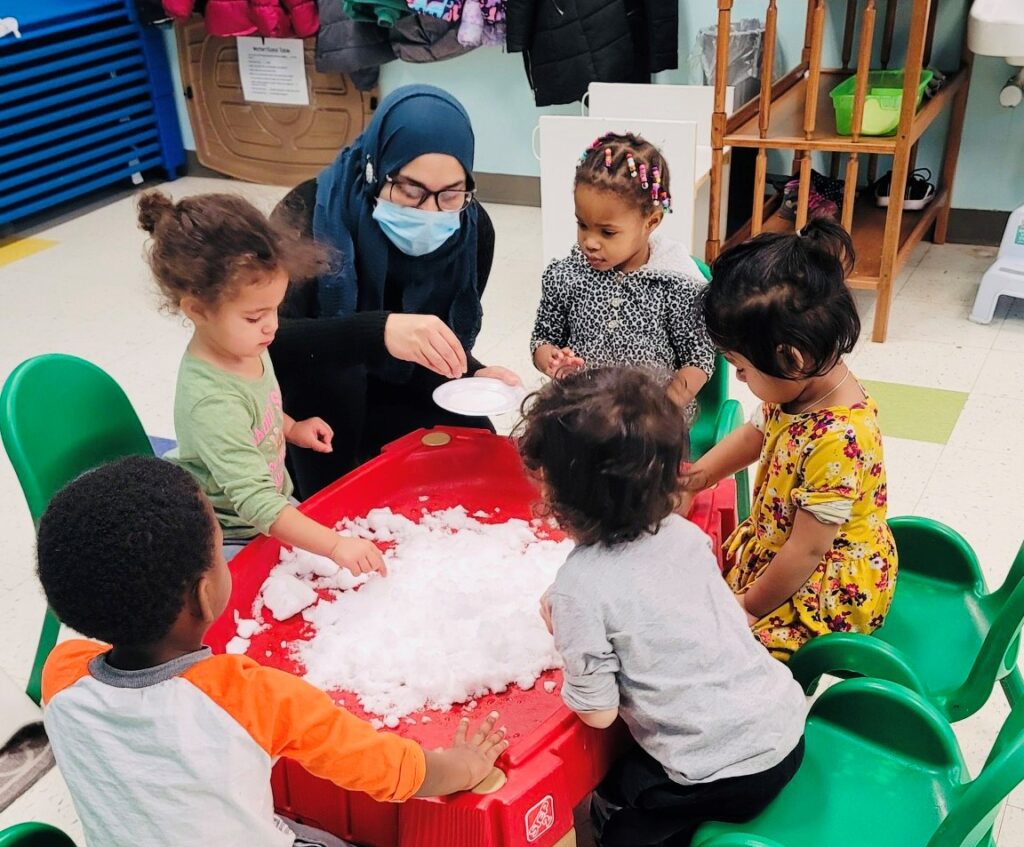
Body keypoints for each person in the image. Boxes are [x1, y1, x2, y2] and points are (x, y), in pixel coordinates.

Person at [38, 456, 508, 847]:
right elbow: (389, 769)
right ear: (205, 596)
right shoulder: (246, 696)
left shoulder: (59, 677)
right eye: (221, 552)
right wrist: (463, 767)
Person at [519, 367, 807, 847]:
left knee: (622, 819)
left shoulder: (580, 586)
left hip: (725, 771)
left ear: (559, 498)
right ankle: (686, 843)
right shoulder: (682, 535)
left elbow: (599, 712)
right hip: (785, 729)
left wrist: (565, 630)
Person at [272, 84, 519, 498]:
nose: (430, 211)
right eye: (410, 190)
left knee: (479, 454)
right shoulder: (309, 215)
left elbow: (432, 339)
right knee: (342, 492)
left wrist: (473, 371)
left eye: (451, 194)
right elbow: (266, 343)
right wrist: (378, 333)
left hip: (405, 387)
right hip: (313, 402)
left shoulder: (472, 230)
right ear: (375, 168)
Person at [683, 220, 898, 661]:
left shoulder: (839, 438)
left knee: (727, 653)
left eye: (741, 369)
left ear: (792, 358)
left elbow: (808, 548)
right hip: (786, 548)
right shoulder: (800, 387)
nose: (739, 379)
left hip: (824, 585)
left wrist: (748, 607)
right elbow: (757, 435)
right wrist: (695, 477)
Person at [139, 190, 383, 569]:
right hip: (230, 531)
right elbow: (254, 504)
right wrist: (335, 547)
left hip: (269, 503)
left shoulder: (245, 344)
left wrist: (292, 427)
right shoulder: (212, 400)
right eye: (255, 316)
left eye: (275, 309)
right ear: (198, 310)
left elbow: (257, 414)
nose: (271, 325)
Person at [529, 132, 715, 412]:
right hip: (582, 411)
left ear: (650, 222)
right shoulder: (565, 276)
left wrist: (663, 409)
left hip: (651, 425)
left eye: (607, 232)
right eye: (582, 225)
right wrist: (552, 361)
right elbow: (543, 339)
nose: (590, 242)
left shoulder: (676, 285)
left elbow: (698, 358)